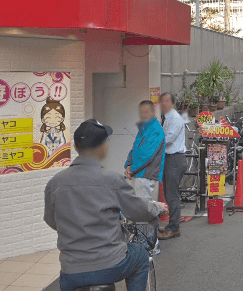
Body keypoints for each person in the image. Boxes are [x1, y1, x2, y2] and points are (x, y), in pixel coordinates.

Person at [44, 119, 167, 291]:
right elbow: (139, 211)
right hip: (110, 263)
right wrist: (157, 207)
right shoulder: (112, 180)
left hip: (71, 269)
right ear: (104, 147)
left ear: (76, 147)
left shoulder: (54, 183)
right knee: (139, 256)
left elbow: (51, 220)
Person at [125, 100, 166, 253]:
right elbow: (134, 148)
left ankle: (151, 245)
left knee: (144, 209)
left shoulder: (155, 129)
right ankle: (147, 243)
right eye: (141, 111)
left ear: (153, 112)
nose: (143, 114)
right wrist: (128, 165)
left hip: (145, 174)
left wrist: (132, 169)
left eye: (147, 111)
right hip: (139, 173)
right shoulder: (144, 127)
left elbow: (147, 156)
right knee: (142, 208)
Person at [158, 92, 187, 240]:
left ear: (173, 103)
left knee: (172, 195)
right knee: (170, 195)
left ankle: (174, 228)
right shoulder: (166, 117)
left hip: (175, 159)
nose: (164, 103)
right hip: (170, 159)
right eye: (162, 101)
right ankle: (171, 225)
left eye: (167, 101)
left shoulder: (175, 118)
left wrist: (154, 139)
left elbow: (168, 139)